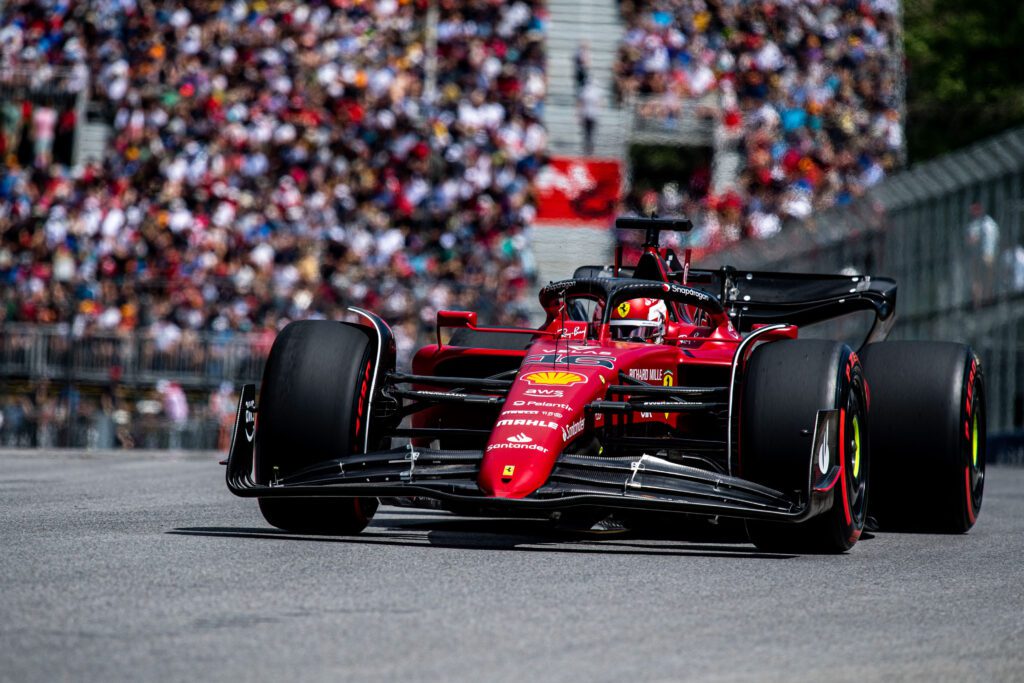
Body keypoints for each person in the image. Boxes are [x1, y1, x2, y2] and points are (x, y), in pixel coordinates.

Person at [965, 202, 1000, 306]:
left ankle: (978, 303)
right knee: (989, 279)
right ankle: (988, 301)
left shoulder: (975, 225)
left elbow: (971, 240)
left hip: (979, 256)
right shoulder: (992, 223)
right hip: (991, 255)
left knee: (977, 280)